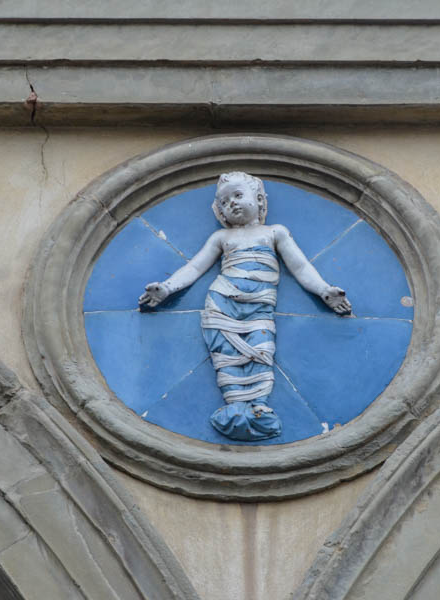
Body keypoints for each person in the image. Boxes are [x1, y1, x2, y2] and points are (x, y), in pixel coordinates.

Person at [139, 172, 351, 441]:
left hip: (259, 310)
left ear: (260, 200)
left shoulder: (274, 233)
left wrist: (324, 291)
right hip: (222, 304)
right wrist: (167, 288)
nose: (233, 204)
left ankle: (259, 406)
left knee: (261, 349)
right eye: (225, 202)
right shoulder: (222, 238)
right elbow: (194, 267)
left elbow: (300, 266)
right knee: (226, 355)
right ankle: (234, 406)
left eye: (238, 196)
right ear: (221, 212)